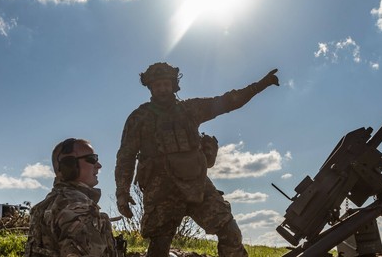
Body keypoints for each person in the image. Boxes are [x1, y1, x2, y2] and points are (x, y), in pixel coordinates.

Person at [115, 62, 279, 257]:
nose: (162, 89)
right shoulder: (139, 118)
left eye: (166, 84)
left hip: (197, 185)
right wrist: (122, 193)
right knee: (159, 245)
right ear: (150, 87)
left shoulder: (190, 109)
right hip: (161, 189)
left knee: (229, 231)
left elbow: (227, 101)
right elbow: (126, 156)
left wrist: (259, 85)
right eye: (157, 85)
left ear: (173, 85)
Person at [25, 138, 119, 257]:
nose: (98, 165)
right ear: (69, 165)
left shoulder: (44, 206)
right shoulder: (78, 206)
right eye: (92, 159)